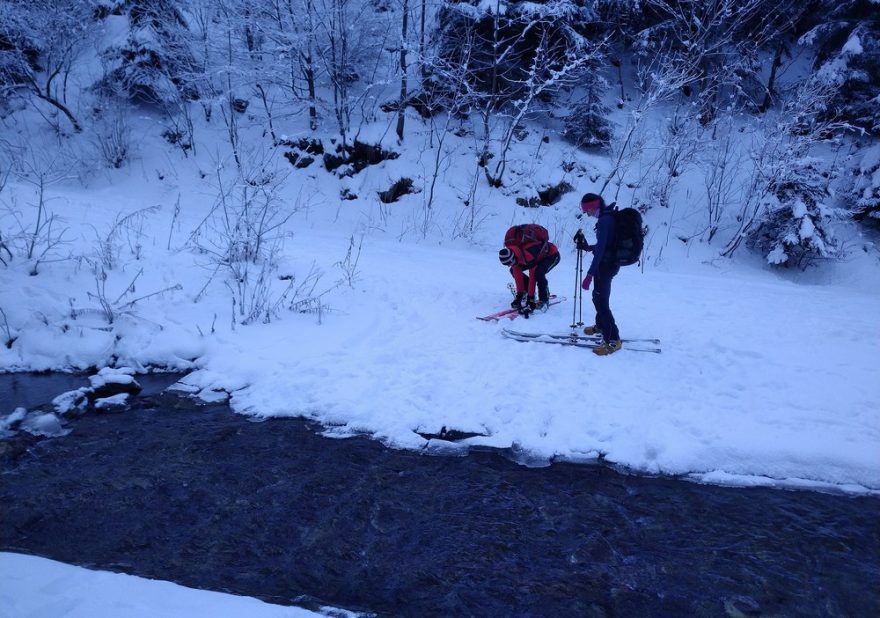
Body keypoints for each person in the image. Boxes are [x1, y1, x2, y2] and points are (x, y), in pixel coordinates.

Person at [574, 193, 622, 355]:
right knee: (597, 297)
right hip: (608, 264)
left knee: (601, 302)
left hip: (605, 266)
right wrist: (588, 248)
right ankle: (601, 325)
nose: (588, 214)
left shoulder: (604, 221)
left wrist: (589, 275)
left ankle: (613, 340)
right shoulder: (608, 218)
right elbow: (605, 245)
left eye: (588, 211)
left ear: (594, 207)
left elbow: (601, 251)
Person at [498, 224, 560, 316]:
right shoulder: (514, 253)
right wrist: (519, 295)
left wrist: (531, 299)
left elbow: (532, 277)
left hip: (552, 256)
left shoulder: (528, 254)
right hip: (536, 257)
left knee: (538, 274)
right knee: (513, 270)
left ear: (512, 258)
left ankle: (544, 300)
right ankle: (525, 291)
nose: (508, 266)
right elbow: (518, 274)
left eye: (509, 263)